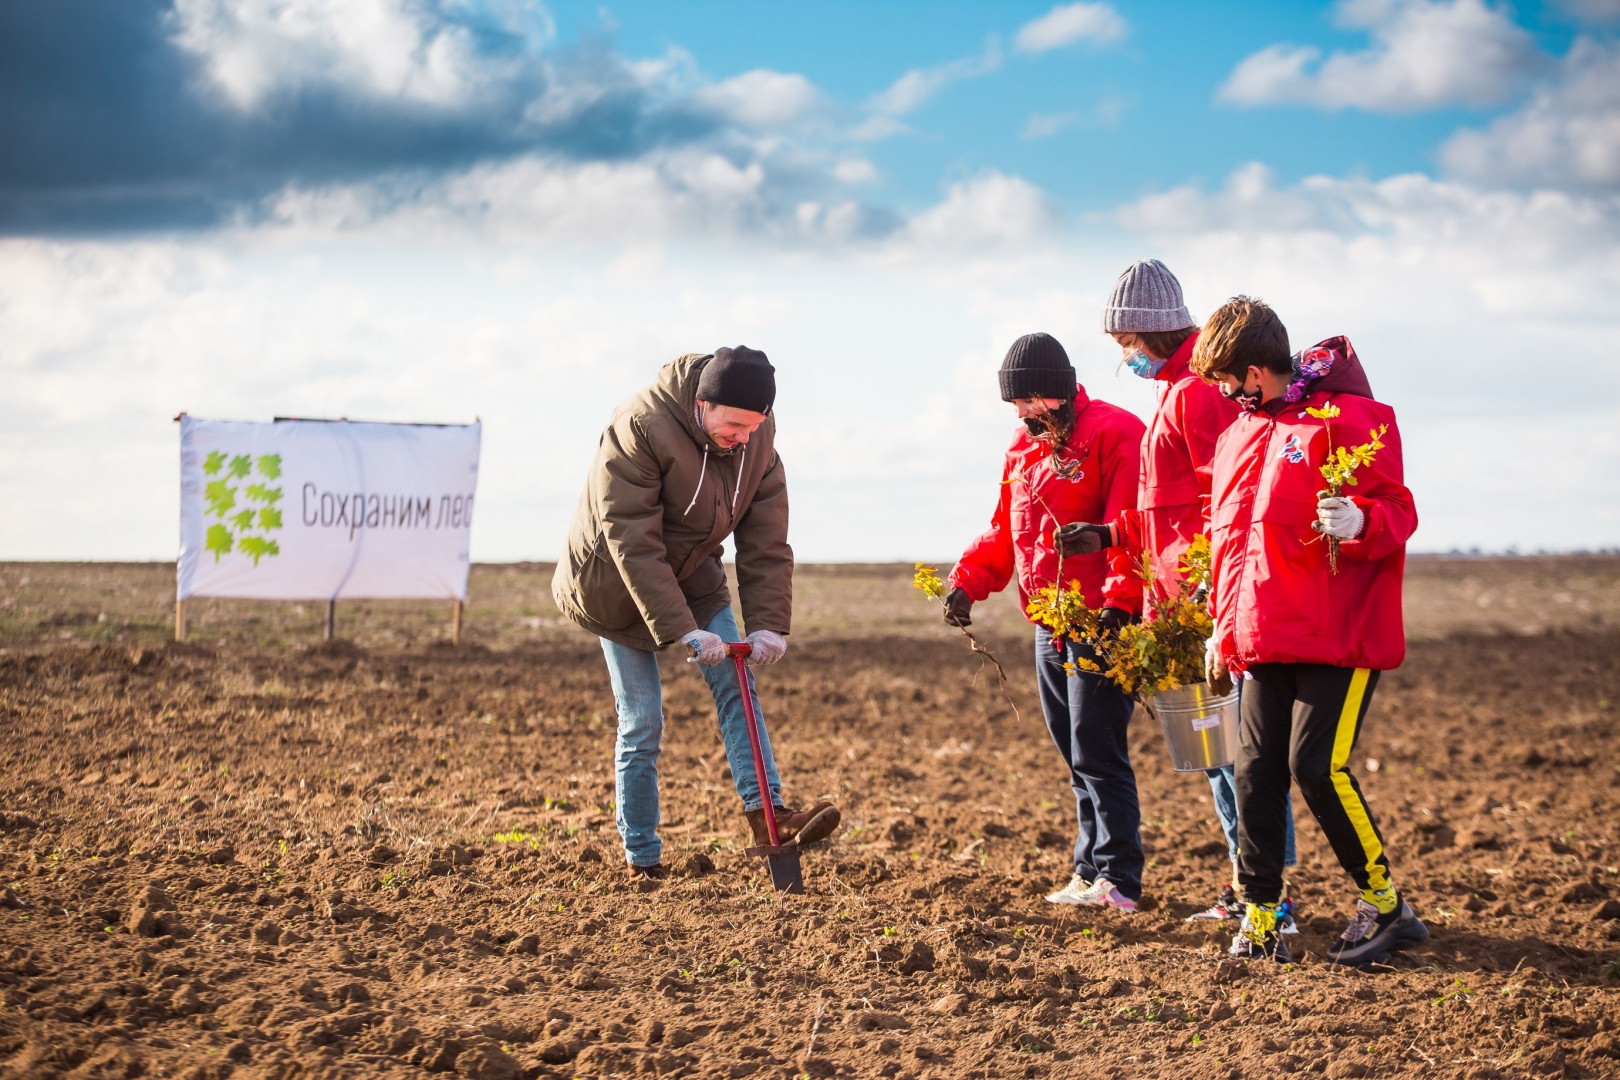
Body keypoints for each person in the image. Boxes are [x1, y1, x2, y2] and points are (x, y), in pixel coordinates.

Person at [1056, 260, 1297, 925]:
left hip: (1198, 607)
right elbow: (1170, 510)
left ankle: (1268, 894)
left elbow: (1223, 503)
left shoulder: (1197, 392)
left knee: (1233, 759)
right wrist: (1111, 535)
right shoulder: (1178, 391)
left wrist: (1200, 590)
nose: (1121, 355)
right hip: (1179, 605)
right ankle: (1245, 886)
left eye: (1124, 342)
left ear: (1148, 330)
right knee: (1215, 758)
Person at [1191, 297, 1428, 965]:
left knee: (1316, 766)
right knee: (1254, 771)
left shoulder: (1350, 420)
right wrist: (1220, 628)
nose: (1225, 395)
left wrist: (1361, 524)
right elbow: (1231, 545)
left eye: (1228, 381)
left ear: (1259, 371)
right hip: (1264, 634)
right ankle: (1262, 917)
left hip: (1339, 635)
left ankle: (1387, 908)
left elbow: (1398, 511)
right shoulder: (1240, 435)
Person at [552, 346, 840, 879]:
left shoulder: (756, 437)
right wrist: (683, 630)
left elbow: (766, 537)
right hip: (614, 582)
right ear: (702, 405)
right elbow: (632, 541)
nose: (743, 438)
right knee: (643, 721)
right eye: (733, 426)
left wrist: (769, 626)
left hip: (693, 574)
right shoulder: (639, 424)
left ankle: (768, 817)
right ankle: (643, 856)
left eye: (754, 427)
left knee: (737, 682)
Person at [944, 333, 1148, 911]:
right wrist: (968, 582)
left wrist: (1119, 604)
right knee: (1072, 750)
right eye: (1016, 405)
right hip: (1048, 624)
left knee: (1097, 747)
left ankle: (1118, 879)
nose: (1023, 413)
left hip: (1100, 619)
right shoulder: (1022, 449)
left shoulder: (1116, 432)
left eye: (1031, 400)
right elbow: (1006, 530)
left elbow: (1131, 525)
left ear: (1057, 391)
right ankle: (1088, 871)